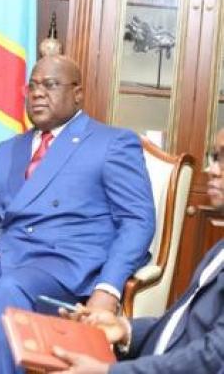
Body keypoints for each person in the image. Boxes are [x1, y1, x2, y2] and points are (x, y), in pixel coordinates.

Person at [0, 55, 156, 374]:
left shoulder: (112, 143)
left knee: (12, 287)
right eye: (32, 86)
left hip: (65, 269)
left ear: (77, 93)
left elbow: (137, 222)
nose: (37, 93)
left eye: (50, 85)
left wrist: (108, 289)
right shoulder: (8, 149)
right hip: (3, 258)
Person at [52, 127, 224, 374]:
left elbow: (213, 358)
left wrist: (107, 372)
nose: (212, 170)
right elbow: (182, 326)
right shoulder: (219, 249)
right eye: (214, 157)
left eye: (223, 159)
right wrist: (124, 329)